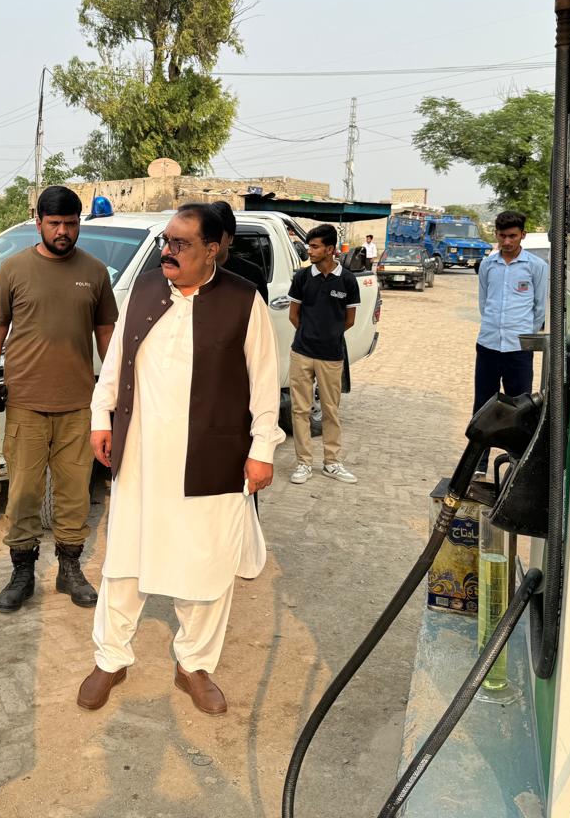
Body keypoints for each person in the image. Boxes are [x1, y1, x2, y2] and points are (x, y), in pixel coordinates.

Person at [76, 203, 282, 716]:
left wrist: (262, 450)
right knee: (125, 561)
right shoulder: (146, 288)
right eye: (166, 241)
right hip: (141, 456)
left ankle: (194, 665)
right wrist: (101, 416)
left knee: (205, 563)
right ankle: (111, 658)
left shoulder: (243, 300)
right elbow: (116, 360)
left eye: (181, 244)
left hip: (211, 455)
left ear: (212, 250)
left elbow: (264, 381)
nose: (167, 251)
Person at [0, 185, 118, 613]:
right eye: (54, 223)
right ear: (38, 222)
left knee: (75, 494)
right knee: (23, 493)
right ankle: (22, 572)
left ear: (79, 224)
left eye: (71, 224)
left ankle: (69, 569)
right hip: (25, 403)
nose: (63, 232)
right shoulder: (14, 269)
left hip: (79, 406)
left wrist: (116, 393)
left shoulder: (95, 272)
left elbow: (107, 335)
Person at [474, 210, 548, 474]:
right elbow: (484, 302)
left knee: (519, 408)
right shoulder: (488, 265)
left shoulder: (536, 266)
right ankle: (479, 464)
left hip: (518, 350)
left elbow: (539, 308)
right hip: (488, 345)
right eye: (502, 236)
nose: (507, 241)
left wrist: (523, 333)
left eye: (512, 236)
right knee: (483, 405)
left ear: (522, 235)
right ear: (496, 234)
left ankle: (517, 465)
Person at [287, 223, 361, 485]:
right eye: (309, 246)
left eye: (315, 246)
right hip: (302, 353)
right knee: (300, 410)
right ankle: (303, 464)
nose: (310, 250)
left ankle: (332, 463)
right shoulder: (302, 277)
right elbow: (293, 315)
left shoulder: (347, 280)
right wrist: (309, 334)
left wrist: (328, 336)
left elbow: (349, 320)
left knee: (331, 410)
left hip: (332, 356)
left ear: (330, 249)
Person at [207, 200, 269, 302]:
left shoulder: (251, 275)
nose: (211, 240)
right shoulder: (192, 271)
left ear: (230, 238)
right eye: (208, 233)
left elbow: (260, 311)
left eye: (217, 234)